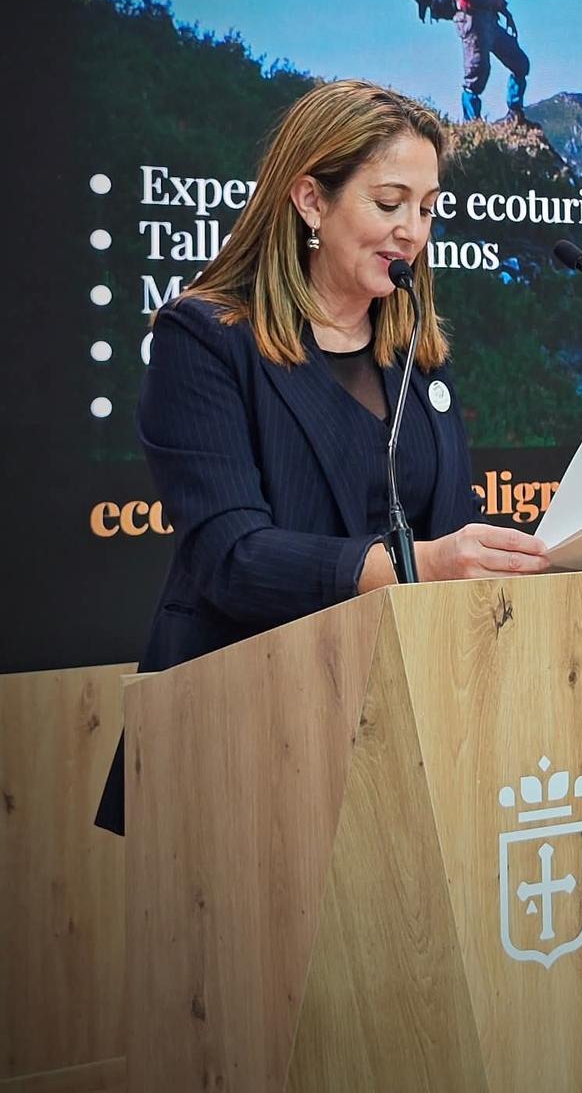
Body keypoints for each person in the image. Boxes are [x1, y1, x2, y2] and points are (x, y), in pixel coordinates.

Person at [95, 79, 547, 834]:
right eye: (389, 201)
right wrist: (414, 567)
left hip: (408, 734)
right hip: (239, 740)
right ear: (311, 200)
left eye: (428, 208)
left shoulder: (415, 356)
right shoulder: (205, 339)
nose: (413, 230)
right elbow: (232, 558)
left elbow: (448, 524)